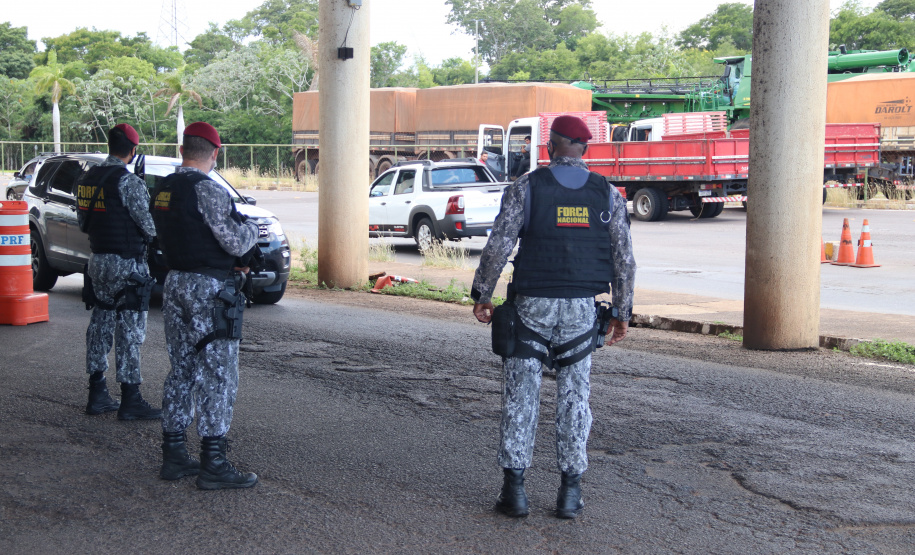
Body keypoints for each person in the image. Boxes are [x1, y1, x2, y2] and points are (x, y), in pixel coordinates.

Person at [471, 115, 636, 519]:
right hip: (582, 309)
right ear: (586, 150)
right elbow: (625, 260)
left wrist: (482, 293)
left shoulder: (526, 187)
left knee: (521, 396)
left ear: (549, 147)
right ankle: (569, 493)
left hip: (532, 305)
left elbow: (499, 245)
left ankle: (515, 493)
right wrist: (622, 311)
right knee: (576, 398)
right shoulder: (609, 195)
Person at [151, 122, 261, 489]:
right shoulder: (207, 190)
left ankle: (175, 455)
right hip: (208, 289)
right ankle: (213, 462)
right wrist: (252, 230)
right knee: (218, 373)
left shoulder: (162, 188)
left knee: (181, 369)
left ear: (183, 150)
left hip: (175, 283)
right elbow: (234, 240)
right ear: (214, 153)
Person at [77, 123, 161, 421]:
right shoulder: (129, 183)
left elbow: (82, 220)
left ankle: (97, 392)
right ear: (133, 150)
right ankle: (130, 399)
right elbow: (149, 227)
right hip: (127, 266)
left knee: (99, 324)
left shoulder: (87, 178)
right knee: (130, 331)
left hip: (97, 261)